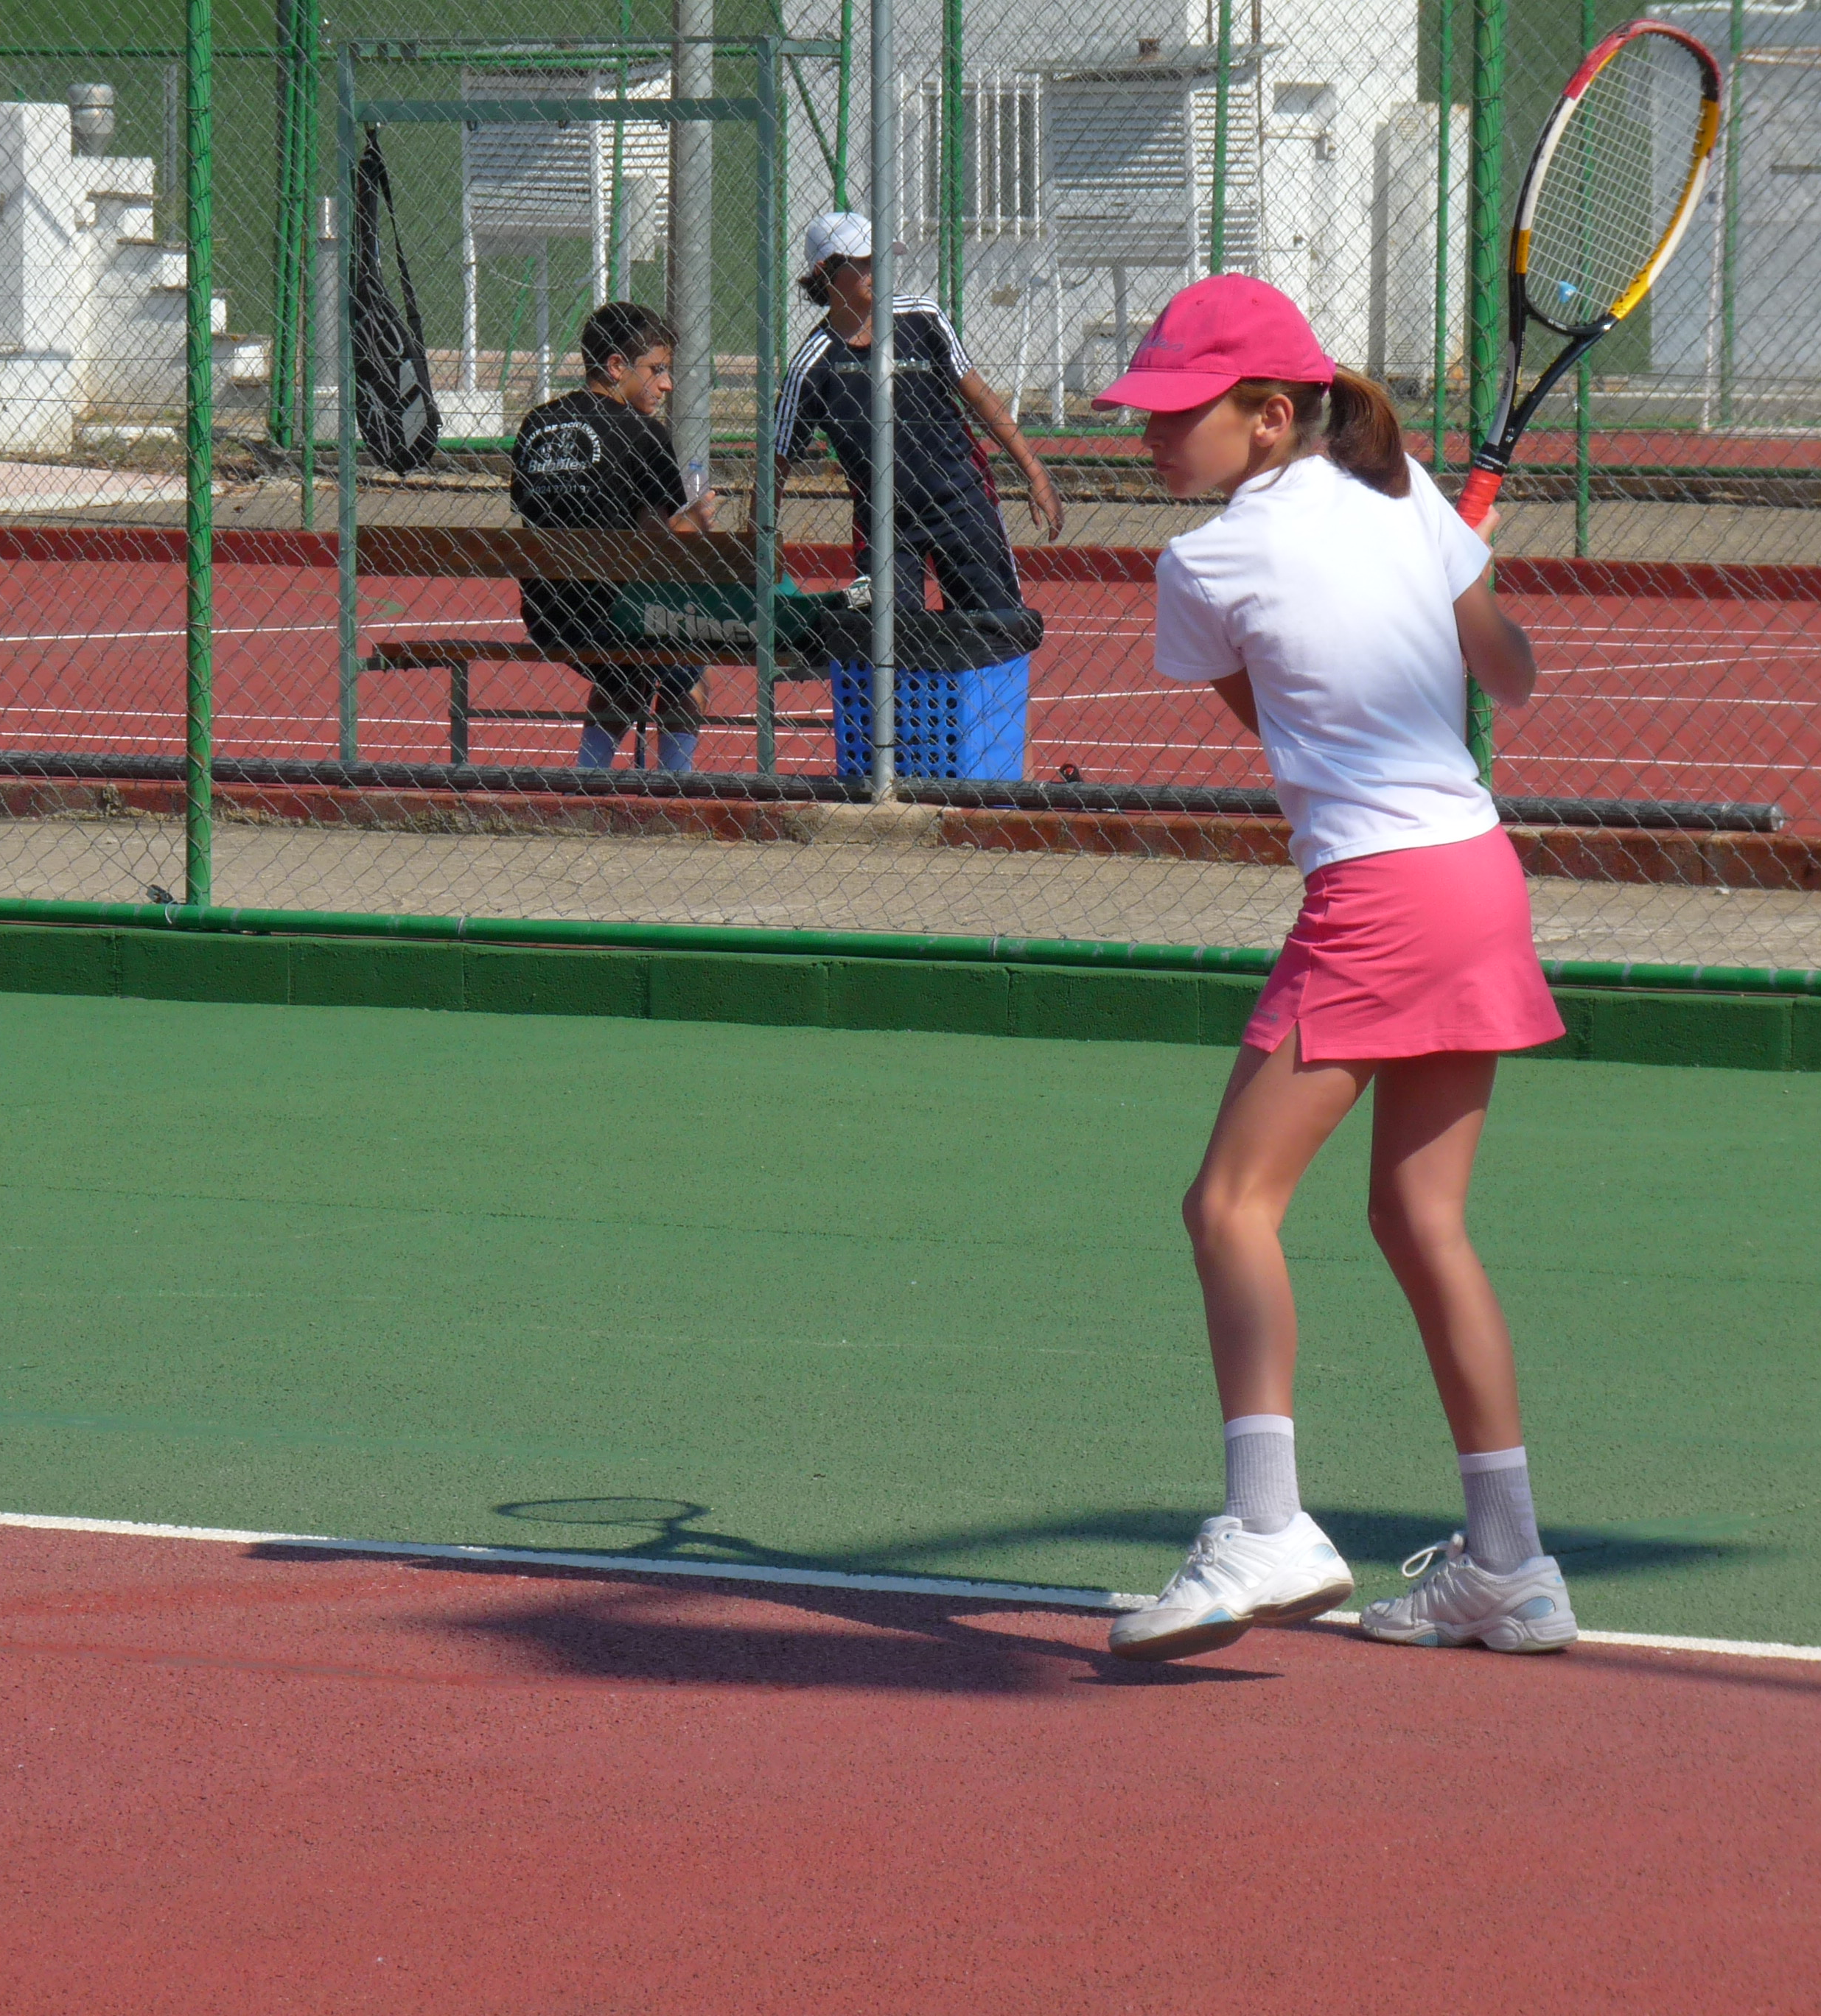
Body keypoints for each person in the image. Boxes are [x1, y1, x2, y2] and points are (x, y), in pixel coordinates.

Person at [1090, 274, 1578, 1664]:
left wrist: (1440, 563)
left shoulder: (1204, 567)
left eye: (1174, 413)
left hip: (1378, 894)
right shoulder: (1404, 495)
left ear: (1265, 415)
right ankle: (1509, 1565)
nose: (1148, 436)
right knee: (1422, 1222)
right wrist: (1459, 571)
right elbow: (1506, 675)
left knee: (1227, 1204)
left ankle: (1266, 1526)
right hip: (1478, 875)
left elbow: (1276, 721)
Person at [769, 211, 1060, 615]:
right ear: (825, 271)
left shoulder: (924, 318)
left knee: (995, 628)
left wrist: (1035, 472)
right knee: (891, 639)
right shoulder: (812, 365)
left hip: (962, 502)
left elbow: (980, 397)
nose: (878, 269)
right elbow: (776, 461)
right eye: (864, 261)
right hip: (884, 523)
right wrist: (761, 542)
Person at [510, 301, 719, 772]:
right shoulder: (643, 434)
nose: (666, 384)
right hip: (616, 613)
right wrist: (696, 520)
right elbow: (657, 551)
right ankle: (674, 785)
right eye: (657, 370)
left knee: (625, 672)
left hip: (547, 612)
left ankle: (589, 775)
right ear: (617, 366)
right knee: (688, 669)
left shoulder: (536, 425)